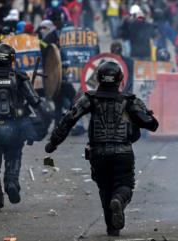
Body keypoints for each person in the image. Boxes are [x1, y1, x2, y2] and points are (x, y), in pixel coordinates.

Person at [45, 61, 159, 236]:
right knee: (124, 186)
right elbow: (152, 125)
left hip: (98, 154)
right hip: (123, 153)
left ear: (97, 79)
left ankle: (112, 227)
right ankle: (119, 200)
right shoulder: (129, 100)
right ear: (120, 79)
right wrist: (140, 115)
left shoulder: (90, 98)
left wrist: (53, 143)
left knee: (105, 189)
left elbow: (68, 119)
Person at [0, 44, 48, 212]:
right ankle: (11, 182)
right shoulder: (19, 77)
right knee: (13, 156)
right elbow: (36, 101)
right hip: (14, 127)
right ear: (11, 59)